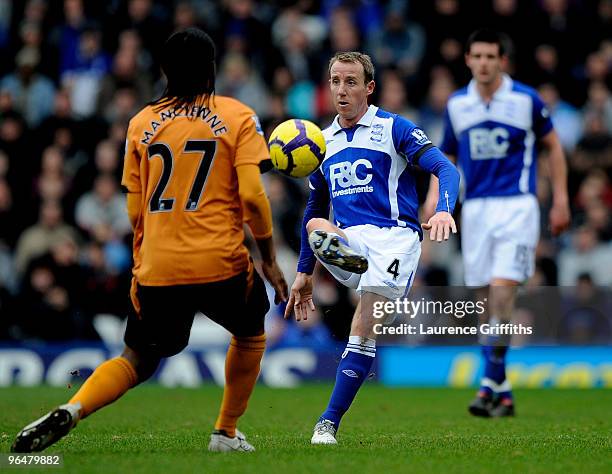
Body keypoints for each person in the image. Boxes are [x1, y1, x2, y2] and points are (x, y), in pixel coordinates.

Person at [12, 27, 288, 453]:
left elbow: (134, 209)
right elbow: (253, 196)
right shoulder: (237, 115)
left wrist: (146, 259)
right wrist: (268, 259)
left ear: (164, 71)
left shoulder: (140, 123)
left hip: (157, 265)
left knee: (135, 359)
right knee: (250, 331)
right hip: (220, 259)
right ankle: (225, 432)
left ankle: (74, 407)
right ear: (212, 69)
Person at [285, 51, 460, 444]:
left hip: (396, 239)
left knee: (362, 331)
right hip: (353, 239)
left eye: (350, 82)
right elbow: (314, 206)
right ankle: (352, 268)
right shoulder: (321, 143)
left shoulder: (393, 127)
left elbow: (446, 169)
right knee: (314, 222)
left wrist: (445, 209)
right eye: (335, 81)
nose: (342, 90)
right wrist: (302, 274)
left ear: (369, 87)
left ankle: (327, 422)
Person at [425, 29, 570, 417]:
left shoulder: (525, 100)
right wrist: (433, 201)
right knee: (484, 302)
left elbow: (553, 146)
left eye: (492, 56)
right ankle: (503, 389)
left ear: (502, 60)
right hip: (475, 211)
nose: (485, 63)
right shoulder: (458, 105)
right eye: (478, 56)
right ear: (468, 60)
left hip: (517, 207)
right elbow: (446, 158)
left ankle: (486, 384)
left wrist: (560, 200)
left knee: (503, 293)